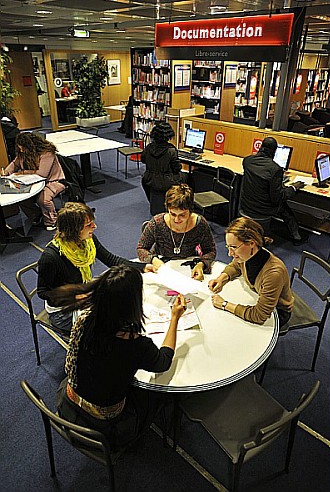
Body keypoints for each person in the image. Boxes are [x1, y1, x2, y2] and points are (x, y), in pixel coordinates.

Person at [53, 265, 186, 449]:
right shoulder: (133, 342)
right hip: (103, 426)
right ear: (132, 302)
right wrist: (175, 318)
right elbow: (163, 362)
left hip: (68, 400)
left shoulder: (86, 319)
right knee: (159, 393)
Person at [37, 202, 155, 335]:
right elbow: (43, 292)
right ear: (74, 230)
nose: (94, 226)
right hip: (63, 312)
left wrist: (143, 267)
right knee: (114, 323)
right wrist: (75, 297)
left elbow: (111, 260)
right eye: (88, 225)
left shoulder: (88, 241)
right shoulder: (51, 257)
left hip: (84, 293)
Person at [208, 217, 294, 326]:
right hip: (260, 298)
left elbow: (258, 316)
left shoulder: (273, 273)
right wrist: (221, 279)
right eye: (228, 247)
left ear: (252, 243)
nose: (230, 253)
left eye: (234, 247)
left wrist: (224, 304)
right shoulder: (247, 256)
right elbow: (236, 265)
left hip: (277, 312)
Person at [137, 184, 216, 281]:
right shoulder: (157, 223)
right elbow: (141, 248)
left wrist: (201, 264)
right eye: (173, 214)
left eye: (182, 215)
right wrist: (154, 260)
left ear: (190, 210)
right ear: (167, 209)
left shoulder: (200, 225)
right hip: (161, 264)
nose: (177, 219)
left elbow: (210, 251)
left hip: (188, 264)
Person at [239, 137, 306, 245]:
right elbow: (277, 198)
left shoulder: (247, 161)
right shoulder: (275, 169)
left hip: (246, 205)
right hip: (263, 210)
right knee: (284, 207)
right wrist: (293, 188)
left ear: (260, 147)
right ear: (274, 152)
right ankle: (297, 237)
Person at [3, 132, 65, 230]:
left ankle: (51, 221)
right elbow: (15, 164)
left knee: (43, 200)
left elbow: (42, 174)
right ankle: (36, 216)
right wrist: (6, 171)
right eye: (20, 148)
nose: (21, 150)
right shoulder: (23, 153)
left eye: (23, 148)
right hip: (32, 182)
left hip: (53, 181)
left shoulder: (47, 153)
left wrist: (22, 173)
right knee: (21, 197)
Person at [141, 122, 183, 216]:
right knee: (186, 177)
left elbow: (143, 159)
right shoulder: (171, 150)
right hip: (167, 182)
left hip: (149, 179)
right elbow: (176, 168)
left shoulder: (149, 147)